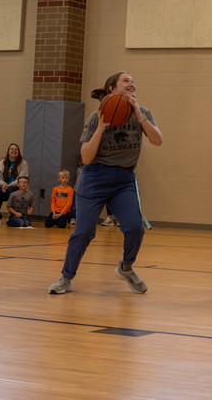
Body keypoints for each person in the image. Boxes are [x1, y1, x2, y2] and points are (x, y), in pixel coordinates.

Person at [48, 70, 162, 296]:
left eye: (133, 80)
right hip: (94, 178)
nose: (132, 83)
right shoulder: (95, 116)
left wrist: (139, 115)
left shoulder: (143, 112)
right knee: (83, 232)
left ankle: (126, 268)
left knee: (134, 228)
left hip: (124, 179)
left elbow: (157, 140)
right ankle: (66, 278)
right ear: (112, 88)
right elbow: (86, 157)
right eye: (126, 80)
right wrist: (101, 127)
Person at [90, 88, 119, 228]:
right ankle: (108, 217)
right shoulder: (96, 118)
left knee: (117, 194)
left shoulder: (120, 114)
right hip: (100, 167)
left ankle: (118, 216)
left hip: (118, 166)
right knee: (105, 194)